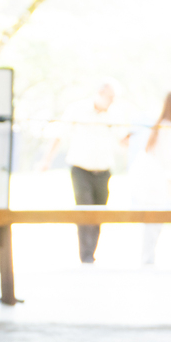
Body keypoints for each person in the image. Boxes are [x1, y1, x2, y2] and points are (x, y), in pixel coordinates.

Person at [40, 80, 130, 263]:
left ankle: (91, 251)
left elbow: (124, 141)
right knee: (84, 209)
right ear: (100, 94)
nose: (112, 101)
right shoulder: (77, 110)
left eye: (114, 98)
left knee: (99, 212)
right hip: (81, 169)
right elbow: (59, 135)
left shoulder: (114, 115)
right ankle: (85, 254)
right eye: (109, 97)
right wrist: (46, 160)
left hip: (103, 170)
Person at [130, 91, 171, 265]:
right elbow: (166, 155)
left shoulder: (167, 125)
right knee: (153, 219)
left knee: (155, 219)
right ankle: (147, 259)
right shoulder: (167, 126)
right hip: (151, 178)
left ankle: (148, 258)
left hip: (155, 177)